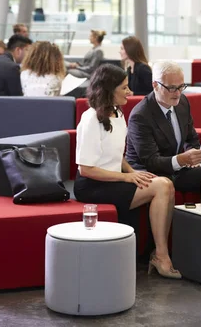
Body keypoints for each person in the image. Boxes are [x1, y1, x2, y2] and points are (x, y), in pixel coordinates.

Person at [75, 64, 180, 279]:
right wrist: (128, 177)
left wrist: (133, 171)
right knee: (162, 186)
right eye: (124, 88)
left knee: (165, 183)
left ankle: (158, 253)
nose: (130, 92)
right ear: (108, 90)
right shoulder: (91, 118)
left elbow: (115, 154)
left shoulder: (117, 112)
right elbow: (86, 169)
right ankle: (161, 255)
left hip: (113, 179)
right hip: (93, 185)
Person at [125, 60, 201, 193]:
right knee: (166, 183)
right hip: (149, 172)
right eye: (172, 88)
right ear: (155, 85)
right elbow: (151, 160)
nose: (178, 93)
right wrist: (181, 160)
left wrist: (193, 158)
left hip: (177, 168)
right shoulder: (141, 116)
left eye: (181, 87)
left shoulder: (182, 103)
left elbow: (191, 138)